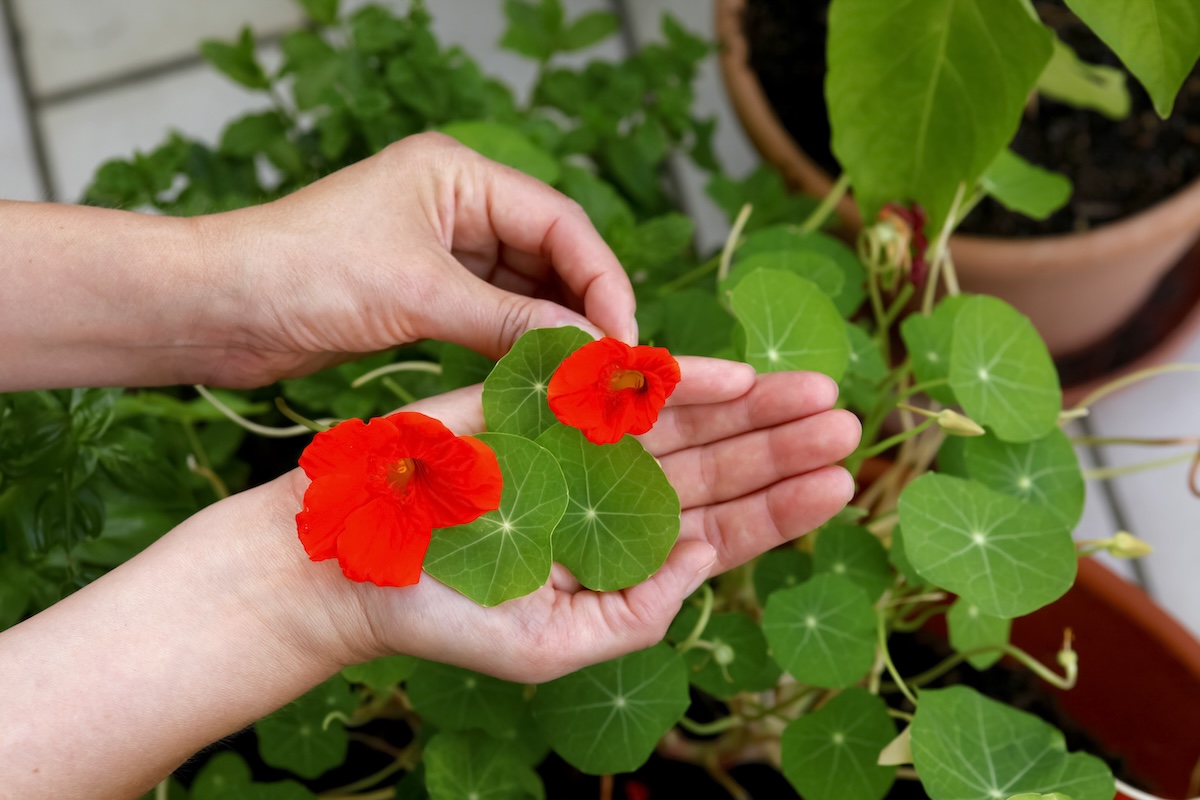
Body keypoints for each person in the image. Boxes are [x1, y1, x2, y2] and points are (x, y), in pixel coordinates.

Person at [0, 132, 860, 799]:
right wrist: (299, 594)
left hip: (427, 463)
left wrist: (239, 295)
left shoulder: (443, 473)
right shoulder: (387, 474)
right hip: (401, 467)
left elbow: (481, 489)